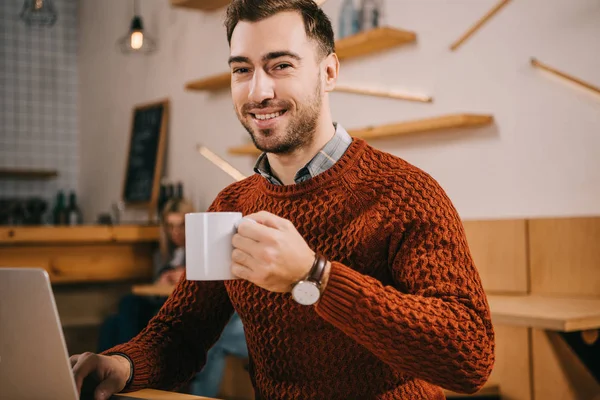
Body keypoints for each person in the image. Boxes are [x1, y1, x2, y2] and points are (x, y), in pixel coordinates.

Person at [70, 1, 495, 399]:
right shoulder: (230, 205)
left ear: (328, 73)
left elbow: (470, 356)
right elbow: (183, 332)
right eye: (242, 70)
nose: (258, 91)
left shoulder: (406, 193)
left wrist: (315, 277)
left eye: (281, 65)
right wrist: (122, 364)